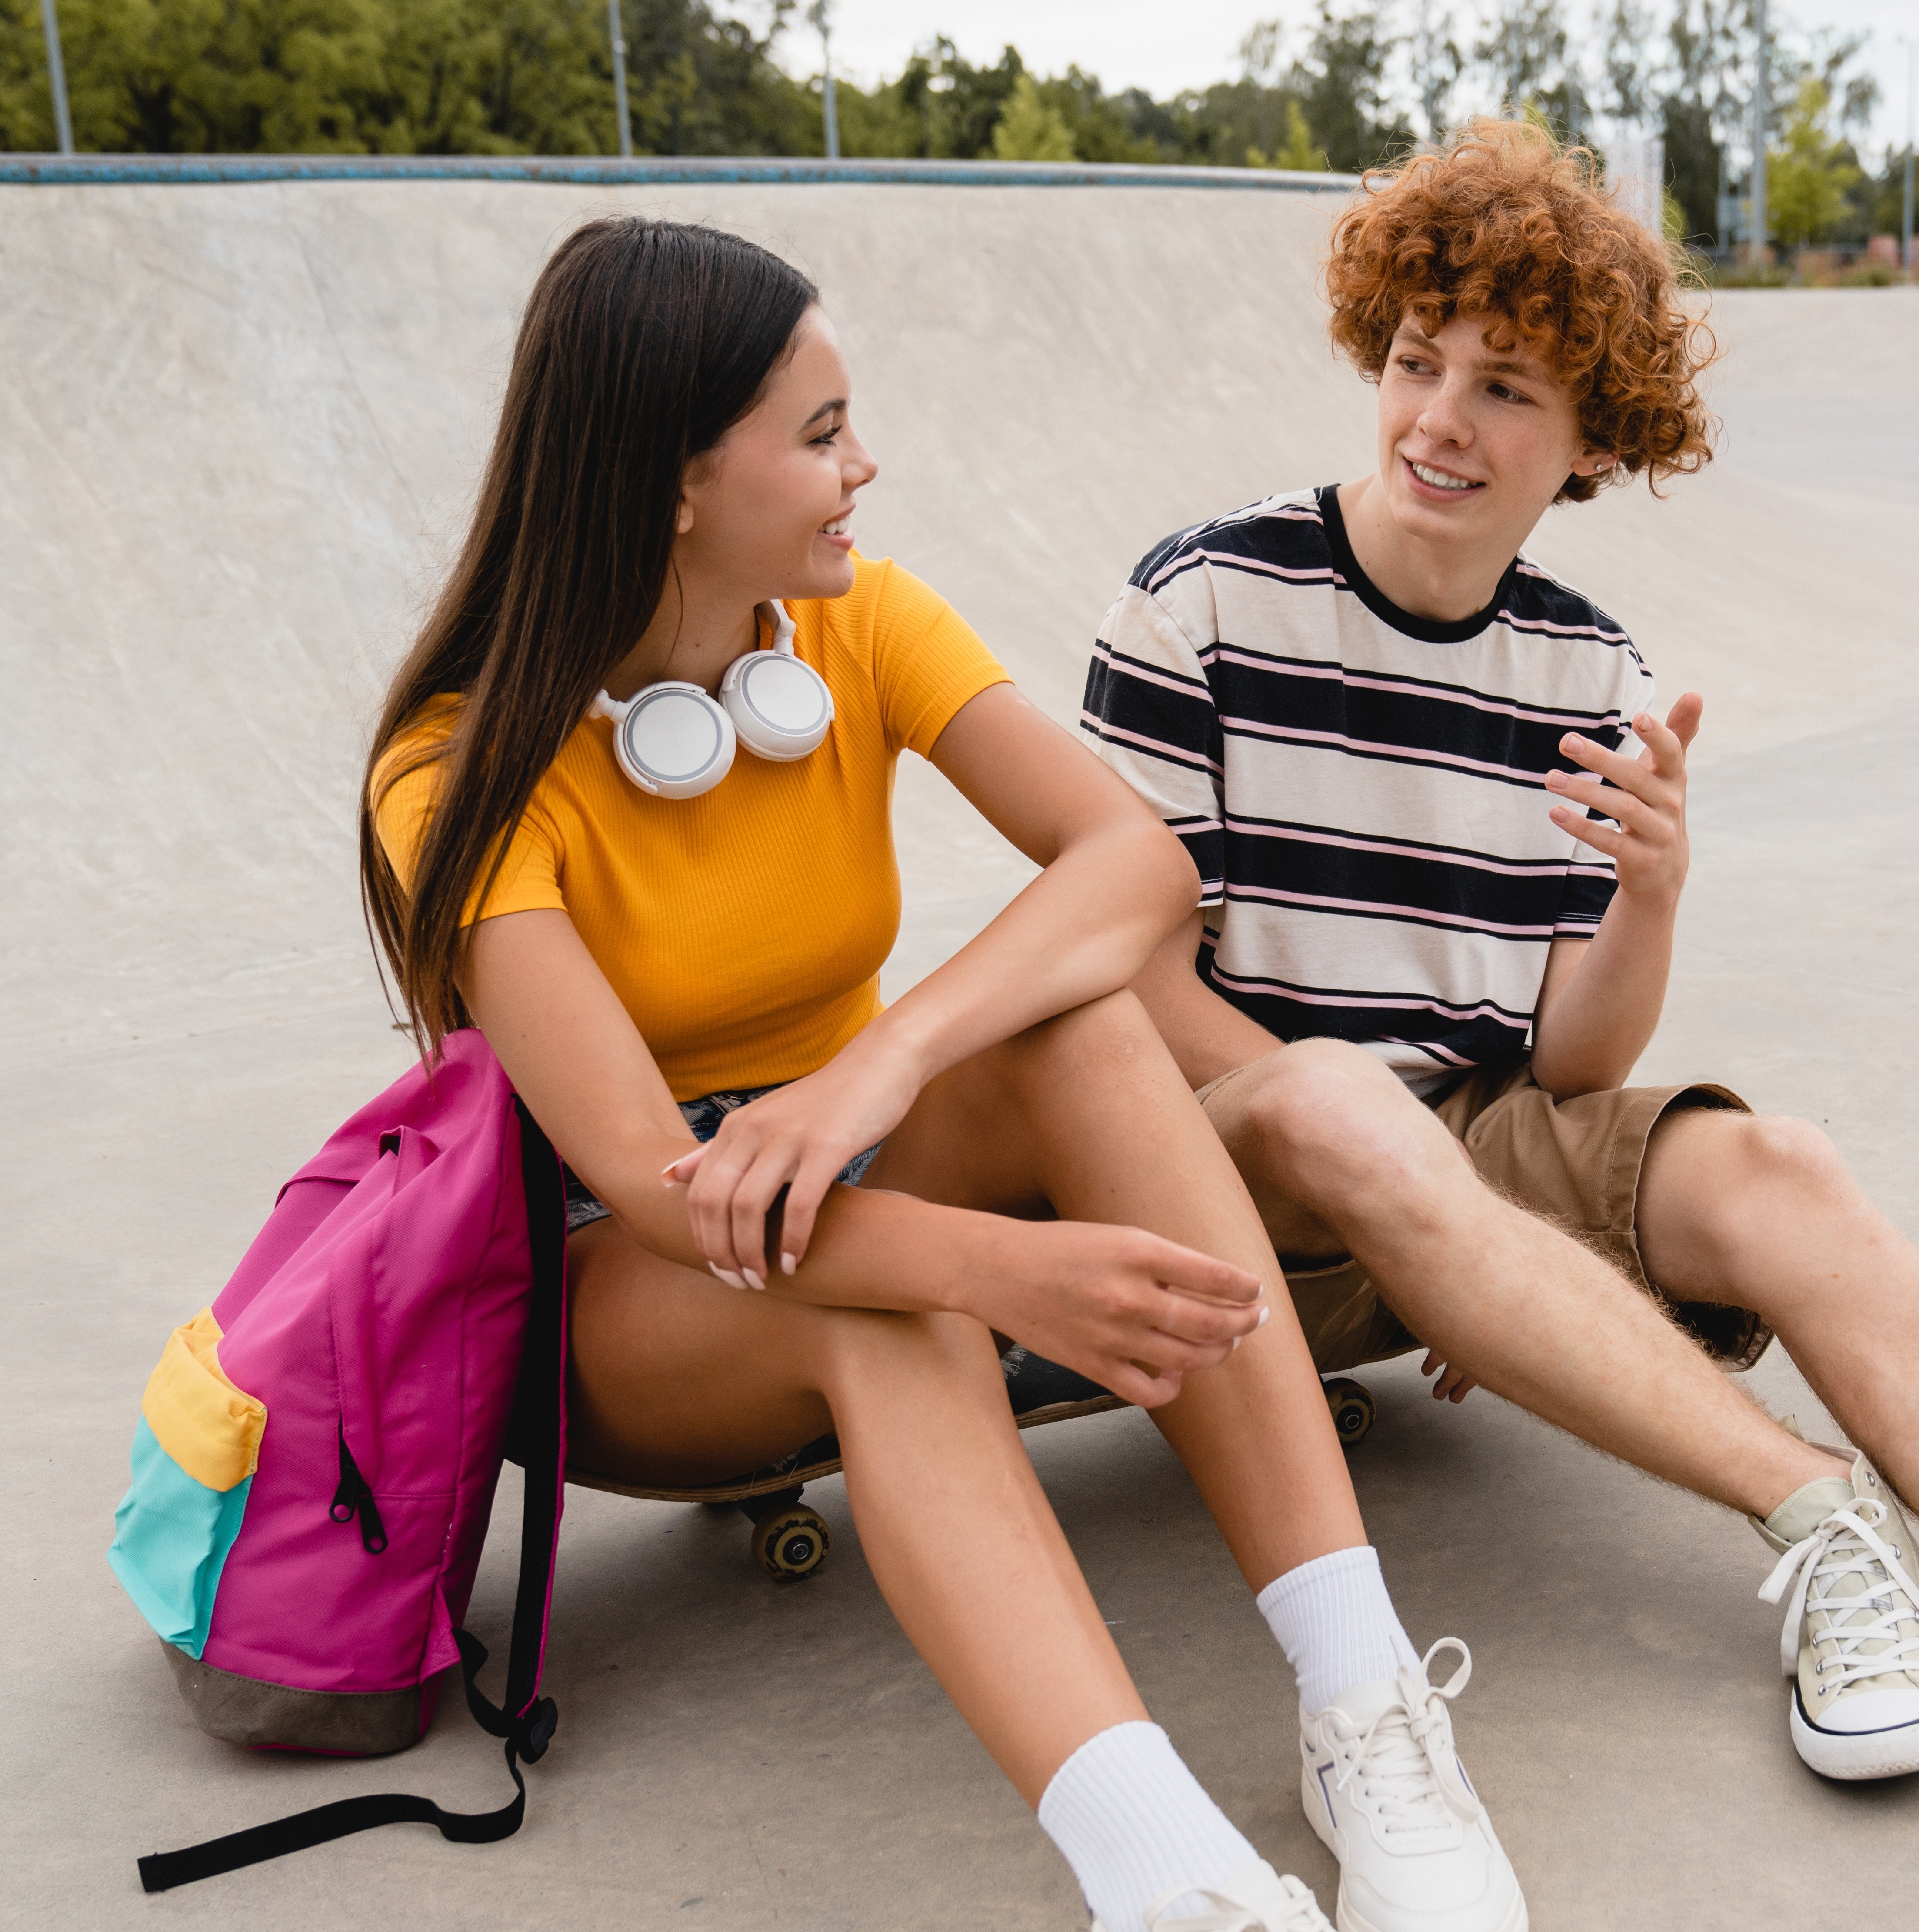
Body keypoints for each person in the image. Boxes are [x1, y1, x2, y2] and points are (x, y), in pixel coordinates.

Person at [1082, 122, 1919, 1823]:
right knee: (1324, 1101)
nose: (1442, 418)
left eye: (1507, 388)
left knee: (1774, 1165)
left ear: (1591, 437)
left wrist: (1648, 897)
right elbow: (1122, 970)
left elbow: (1570, 1079)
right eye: (1420, 363)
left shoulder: (1585, 669)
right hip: (1209, 1180)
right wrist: (1400, 1179)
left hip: (1448, 1166)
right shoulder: (1205, 602)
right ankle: (1825, 1508)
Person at [363, 218, 1530, 1932]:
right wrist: (1000, 1267)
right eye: (821, 432)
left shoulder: (855, 628)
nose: (866, 465)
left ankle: (1366, 1705)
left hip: (834, 1156)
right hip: (627, 1281)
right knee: (894, 1317)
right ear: (676, 479)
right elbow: (639, 1173)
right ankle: (1174, 1880)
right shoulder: (451, 768)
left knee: (1075, 1018)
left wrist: (884, 1062)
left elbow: (1131, 866)